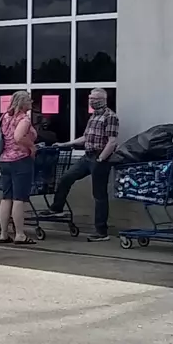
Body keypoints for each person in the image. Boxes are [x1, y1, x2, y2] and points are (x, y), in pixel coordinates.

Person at [38, 88, 119, 242]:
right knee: (66, 177)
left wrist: (101, 158)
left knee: (99, 195)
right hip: (87, 156)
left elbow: (112, 141)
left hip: (100, 158)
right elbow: (85, 138)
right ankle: (57, 208)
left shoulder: (110, 117)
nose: (91, 101)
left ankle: (101, 232)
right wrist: (65, 144)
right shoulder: (93, 116)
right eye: (90, 98)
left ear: (103, 99)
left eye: (95, 98)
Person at [0, 90, 37, 245]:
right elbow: (18, 137)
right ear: (23, 102)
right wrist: (32, 147)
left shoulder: (6, 116)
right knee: (19, 198)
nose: (31, 103)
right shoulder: (24, 119)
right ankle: (20, 234)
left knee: (6, 197)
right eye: (29, 100)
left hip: (4, 161)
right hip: (20, 161)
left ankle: (4, 233)